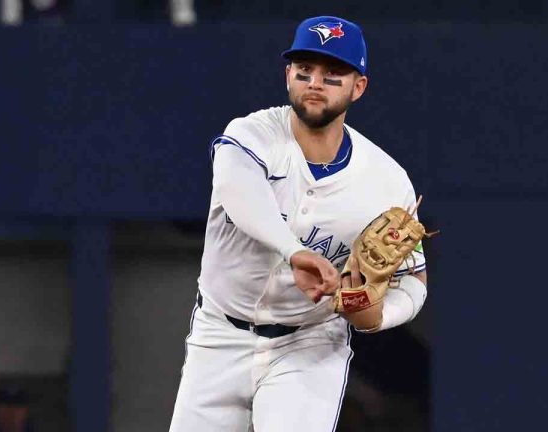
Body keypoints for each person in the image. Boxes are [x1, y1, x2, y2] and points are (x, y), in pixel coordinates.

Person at [169, 15, 428, 432]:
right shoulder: (250, 135)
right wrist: (295, 252)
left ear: (358, 87)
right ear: (288, 73)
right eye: (304, 70)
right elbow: (241, 197)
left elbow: (415, 282)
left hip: (309, 343)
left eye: (332, 74)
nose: (315, 82)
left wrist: (375, 314)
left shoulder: (387, 182)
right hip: (219, 334)